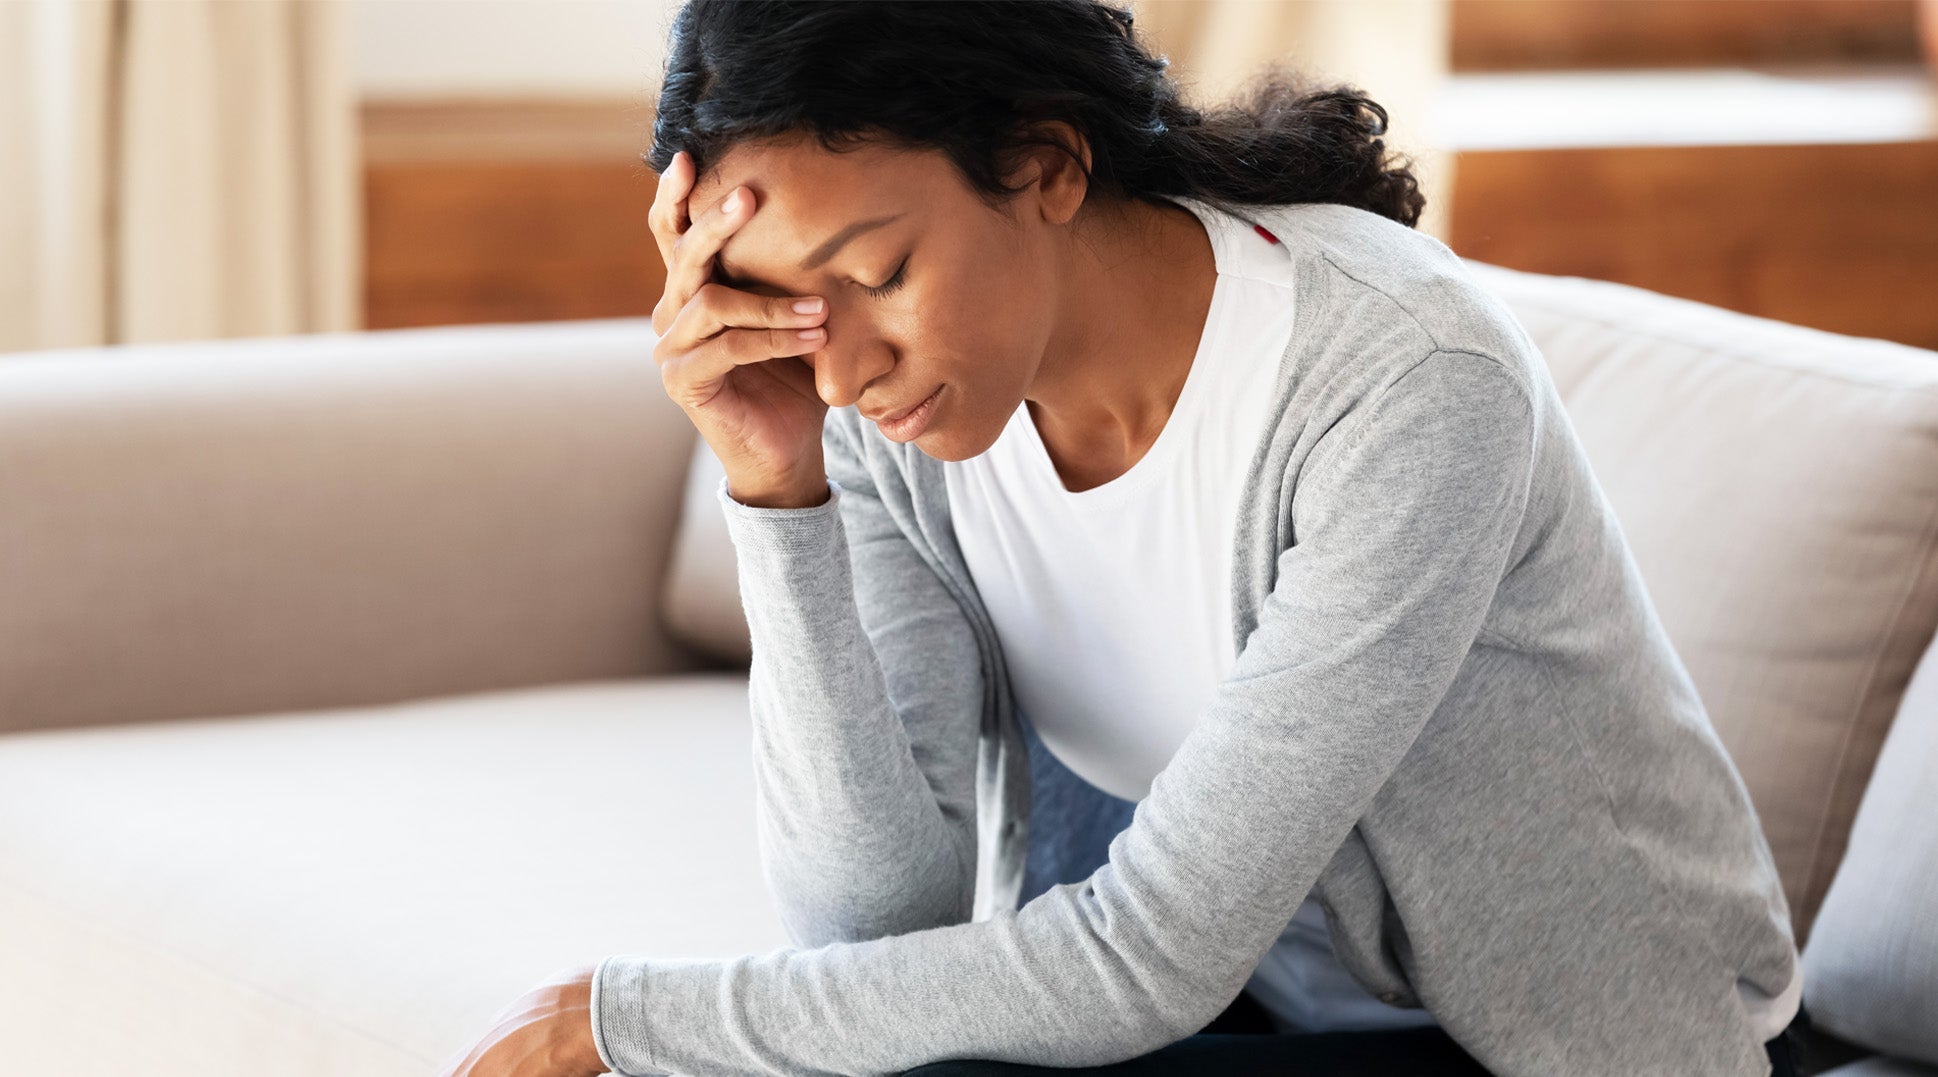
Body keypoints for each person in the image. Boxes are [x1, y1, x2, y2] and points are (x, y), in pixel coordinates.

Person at [439, 3, 1808, 1075]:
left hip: (1550, 1046)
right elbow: (872, 915)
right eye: (791, 307)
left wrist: (622, 1018)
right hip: (1252, 1025)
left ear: (1044, 162)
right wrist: (776, 489)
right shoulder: (875, 411)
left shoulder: (1400, 383)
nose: (846, 368)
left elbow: (1145, 957)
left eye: (876, 275)